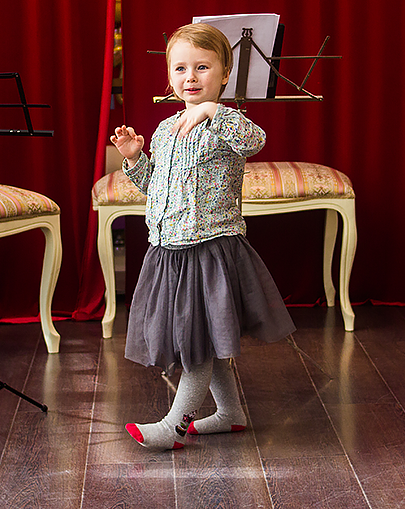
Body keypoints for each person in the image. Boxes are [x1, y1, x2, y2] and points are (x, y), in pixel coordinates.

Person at [110, 22, 296, 451]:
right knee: (202, 337)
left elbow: (256, 140)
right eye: (180, 69)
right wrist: (136, 160)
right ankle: (230, 414)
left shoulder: (228, 125)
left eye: (202, 68)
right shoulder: (164, 129)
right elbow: (154, 186)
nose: (190, 78)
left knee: (197, 341)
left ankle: (175, 425)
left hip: (210, 249)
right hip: (170, 250)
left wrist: (215, 112)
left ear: (225, 74)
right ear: (169, 77)